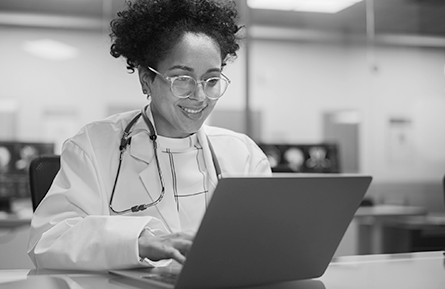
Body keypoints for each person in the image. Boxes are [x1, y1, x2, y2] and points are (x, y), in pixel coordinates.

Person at [27, 0, 271, 271]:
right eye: (182, 79)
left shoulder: (243, 155)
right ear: (146, 79)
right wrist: (137, 243)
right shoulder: (95, 146)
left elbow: (268, 242)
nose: (200, 96)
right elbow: (49, 241)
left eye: (211, 80)